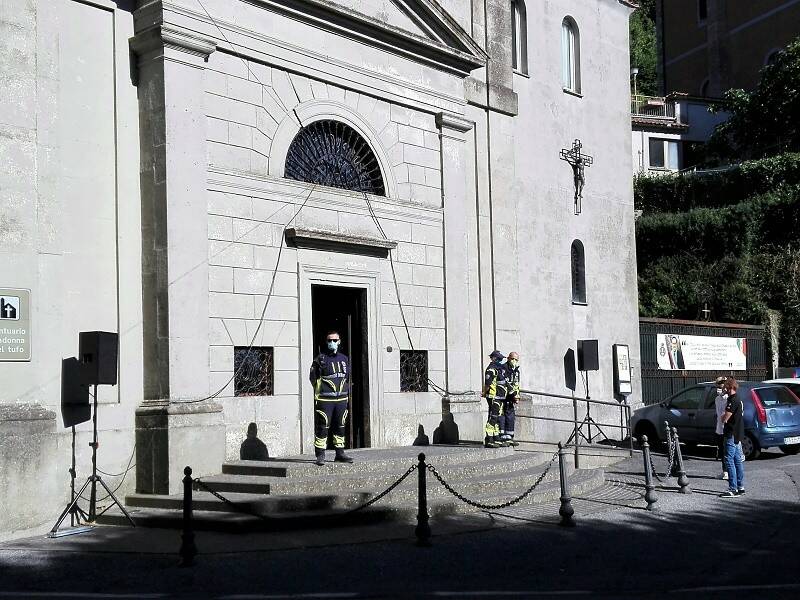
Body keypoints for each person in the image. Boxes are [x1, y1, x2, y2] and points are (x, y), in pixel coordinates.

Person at [309, 330, 354, 466]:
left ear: (339, 341)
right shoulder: (320, 359)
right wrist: (319, 393)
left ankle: (340, 453)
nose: (332, 343)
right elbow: (313, 378)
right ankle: (320, 455)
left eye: (335, 340)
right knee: (323, 427)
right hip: (325, 400)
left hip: (341, 400)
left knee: (340, 426)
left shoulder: (344, 359)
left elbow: (347, 378)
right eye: (330, 340)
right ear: (326, 342)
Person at [719, 376, 745, 497]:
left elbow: (725, 418)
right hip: (738, 433)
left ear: (729, 387)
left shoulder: (732, 400)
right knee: (737, 460)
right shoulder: (738, 399)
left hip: (731, 433)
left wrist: (722, 417)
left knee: (729, 460)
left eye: (725, 387)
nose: (723, 389)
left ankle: (732, 488)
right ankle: (740, 486)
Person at [483, 350, 508, 448]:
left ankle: (496, 437)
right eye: (498, 358)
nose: (500, 360)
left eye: (501, 358)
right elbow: (488, 384)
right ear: (493, 358)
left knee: (497, 417)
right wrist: (484, 393)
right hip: (493, 397)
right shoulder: (491, 369)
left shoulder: (499, 369)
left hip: (500, 397)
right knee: (493, 417)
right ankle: (489, 439)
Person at [499, 352, 520, 447]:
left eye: (516, 360)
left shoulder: (516, 370)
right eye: (513, 359)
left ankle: (510, 437)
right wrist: (513, 395)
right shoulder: (503, 368)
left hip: (511, 398)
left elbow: (516, 384)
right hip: (503, 396)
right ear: (508, 358)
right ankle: (502, 438)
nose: (514, 361)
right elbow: (506, 383)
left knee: (511, 417)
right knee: (502, 416)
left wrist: (517, 396)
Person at [713, 376, 728, 480]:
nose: (720, 386)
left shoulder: (728, 398)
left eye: (722, 384)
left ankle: (728, 472)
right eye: (719, 384)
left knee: (728, 451)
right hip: (719, 428)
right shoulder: (717, 399)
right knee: (722, 450)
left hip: (727, 428)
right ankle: (724, 471)